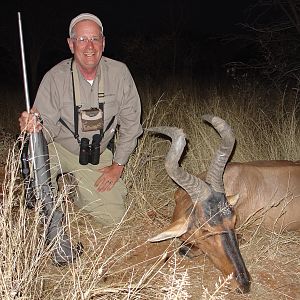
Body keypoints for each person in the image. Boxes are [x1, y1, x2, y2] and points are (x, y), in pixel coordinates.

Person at [19, 13, 143, 225]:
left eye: (95, 39)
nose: (89, 46)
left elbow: (132, 124)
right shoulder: (55, 77)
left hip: (97, 154)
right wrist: (31, 126)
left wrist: (118, 165)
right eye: (82, 39)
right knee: (34, 181)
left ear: (103, 43)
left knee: (114, 219)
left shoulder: (119, 73)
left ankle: (80, 194)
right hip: (59, 147)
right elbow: (43, 125)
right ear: (71, 44)